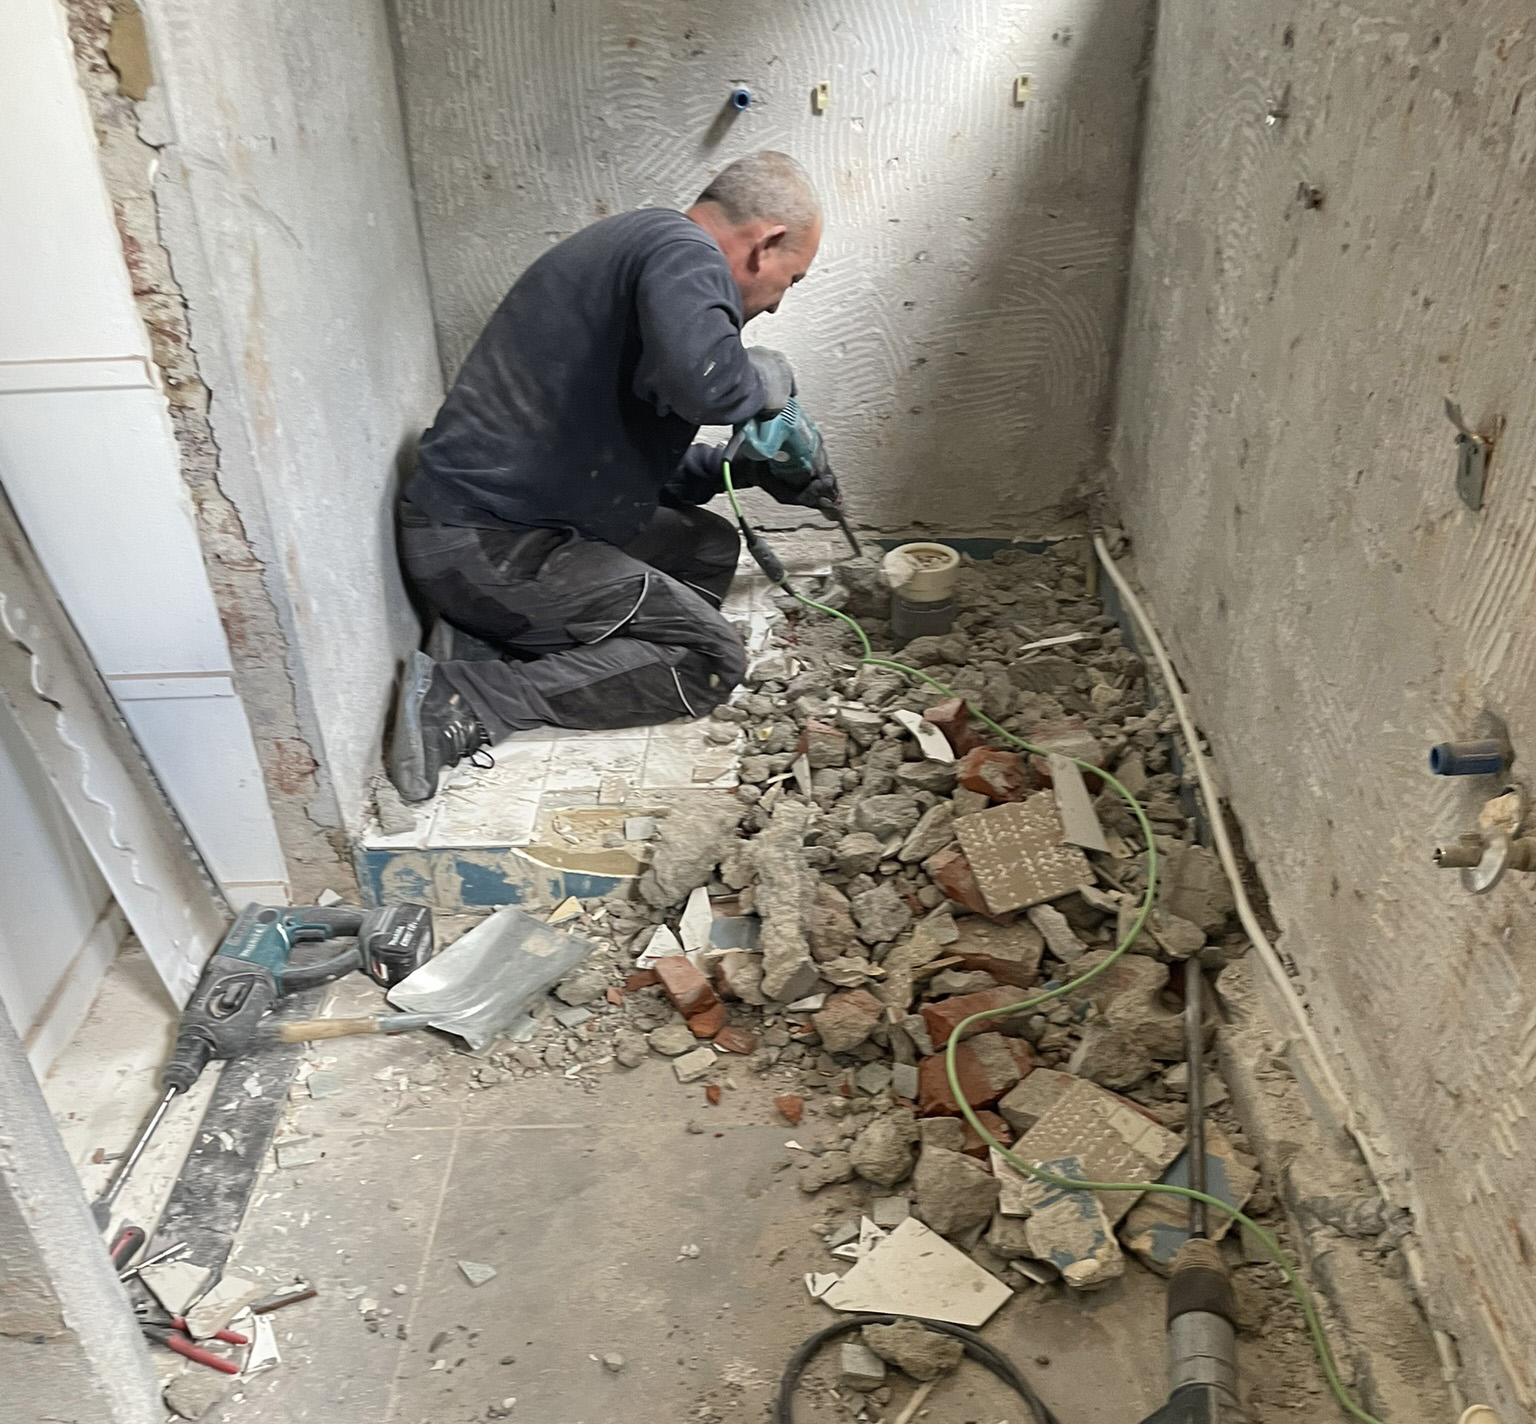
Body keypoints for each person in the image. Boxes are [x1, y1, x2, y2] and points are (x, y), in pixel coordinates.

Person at [386, 150, 837, 803]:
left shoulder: (649, 261)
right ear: (766, 244)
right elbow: (710, 382)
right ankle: (467, 698)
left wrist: (746, 468)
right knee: (711, 661)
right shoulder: (682, 250)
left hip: (506, 526)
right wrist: (770, 376)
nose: (773, 306)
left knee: (708, 548)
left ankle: (488, 638)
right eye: (791, 280)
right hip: (483, 545)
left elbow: (620, 471)